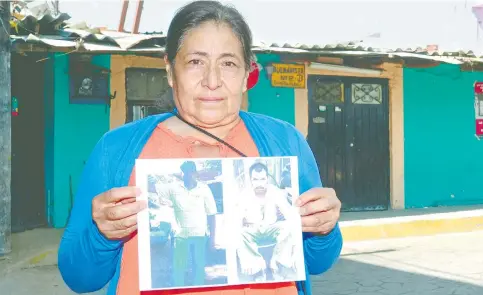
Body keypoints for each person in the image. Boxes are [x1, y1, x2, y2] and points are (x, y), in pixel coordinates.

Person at [57, 1, 342, 295]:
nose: (212, 81)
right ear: (170, 70)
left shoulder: (285, 142)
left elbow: (318, 261)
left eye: (228, 63)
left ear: (247, 74)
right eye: (196, 61)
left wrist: (324, 229)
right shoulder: (116, 150)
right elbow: (79, 278)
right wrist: (102, 236)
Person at [154, 161, 217, 286]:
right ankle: (178, 289)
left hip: (199, 235)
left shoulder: (204, 189)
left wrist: (212, 240)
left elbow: (212, 214)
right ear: (182, 173)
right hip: (181, 236)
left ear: (195, 173)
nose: (188, 175)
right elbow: (152, 187)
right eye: (185, 172)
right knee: (178, 267)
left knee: (199, 268)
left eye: (191, 171)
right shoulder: (174, 188)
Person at [236, 162, 295, 282]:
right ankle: (258, 268)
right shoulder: (244, 195)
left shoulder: (275, 192)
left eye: (262, 179)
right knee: (239, 233)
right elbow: (237, 218)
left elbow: (289, 214)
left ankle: (276, 262)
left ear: (267, 179)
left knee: (289, 226)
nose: (259, 183)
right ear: (251, 180)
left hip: (271, 228)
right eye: (255, 179)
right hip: (253, 229)